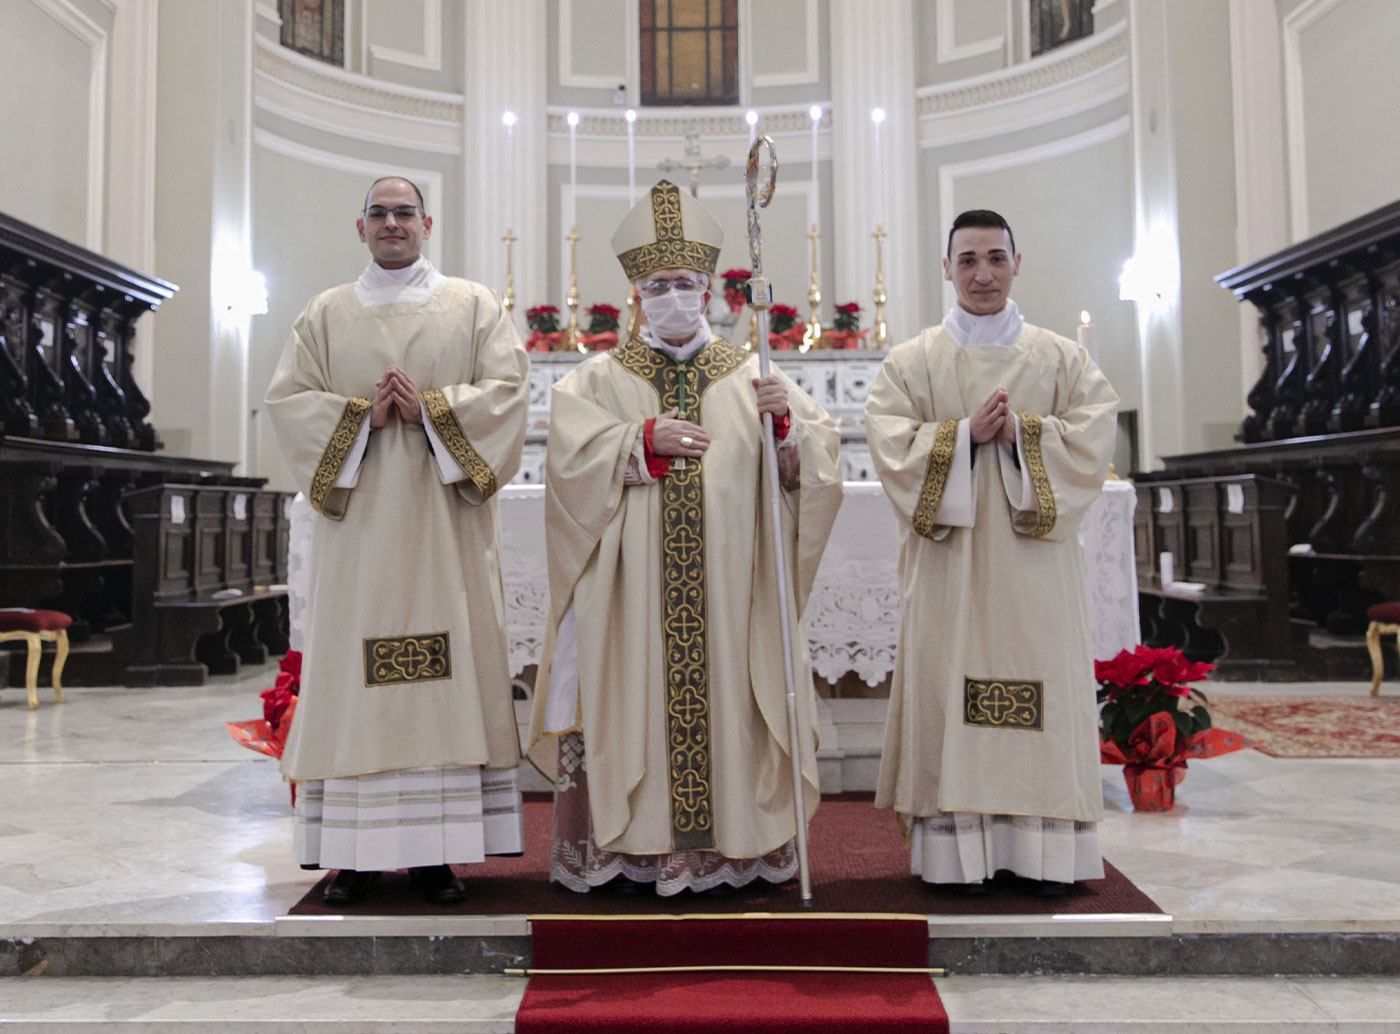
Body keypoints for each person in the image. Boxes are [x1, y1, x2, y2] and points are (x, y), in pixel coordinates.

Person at [527, 181, 843, 895]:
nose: (674, 295)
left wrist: (787, 434)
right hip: (630, 602)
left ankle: (733, 851)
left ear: (709, 291)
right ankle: (634, 852)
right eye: (659, 284)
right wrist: (638, 441)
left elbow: (813, 480)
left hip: (734, 600)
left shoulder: (756, 376)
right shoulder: (592, 381)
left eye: (687, 283)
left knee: (732, 701)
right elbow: (567, 472)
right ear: (636, 292)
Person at [266, 176, 530, 907]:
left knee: (443, 685)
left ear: (427, 223)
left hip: (445, 534)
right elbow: (287, 405)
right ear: (361, 228)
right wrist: (361, 418)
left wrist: (434, 411)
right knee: (358, 685)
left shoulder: (473, 306)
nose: (392, 223)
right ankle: (354, 854)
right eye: (378, 213)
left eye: (404, 212)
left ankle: (438, 855)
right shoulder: (325, 314)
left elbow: (510, 393)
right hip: (361, 542)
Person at [865, 208, 1118, 895]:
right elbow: (889, 443)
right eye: (968, 259)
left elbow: (1095, 439)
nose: (983, 273)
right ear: (947, 268)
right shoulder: (913, 361)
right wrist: (964, 436)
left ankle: (1044, 854)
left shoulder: (1061, 356)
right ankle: (959, 856)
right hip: (950, 568)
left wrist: (1024, 436)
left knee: (1034, 684)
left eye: (996, 258)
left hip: (1034, 569)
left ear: (1016, 263)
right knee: (953, 686)